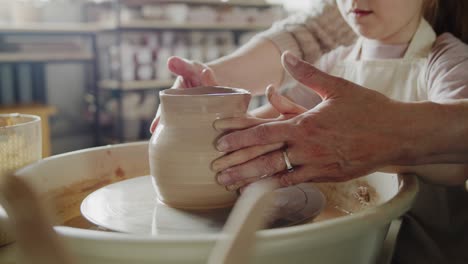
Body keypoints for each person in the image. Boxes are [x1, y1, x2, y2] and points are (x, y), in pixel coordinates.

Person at [151, 0, 468, 263]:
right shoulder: (333, 64)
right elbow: (270, 123)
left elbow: (457, 163)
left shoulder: (446, 60)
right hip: (347, 240)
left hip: (426, 247)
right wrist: (213, 109)